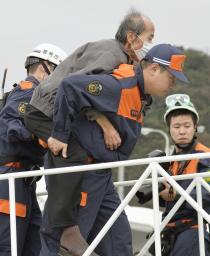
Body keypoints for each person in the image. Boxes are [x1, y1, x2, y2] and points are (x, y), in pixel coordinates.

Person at [24, 9, 155, 254]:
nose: (150, 45)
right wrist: (101, 126)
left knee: (118, 240)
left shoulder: (123, 62)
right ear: (131, 38)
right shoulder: (111, 55)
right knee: (73, 155)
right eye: (149, 38)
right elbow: (71, 89)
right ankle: (67, 228)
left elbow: (89, 98)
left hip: (67, 122)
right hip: (44, 111)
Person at [40, 44, 189, 256]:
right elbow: (70, 86)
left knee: (118, 242)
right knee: (65, 244)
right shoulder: (120, 85)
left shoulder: (140, 95)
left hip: (102, 176)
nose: (172, 85)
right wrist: (60, 134)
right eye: (171, 78)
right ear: (154, 69)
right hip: (83, 173)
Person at [0, 43, 67, 256]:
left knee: (34, 246)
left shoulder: (39, 97)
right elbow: (10, 125)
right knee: (9, 247)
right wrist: (43, 137)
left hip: (25, 182)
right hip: (11, 179)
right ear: (45, 67)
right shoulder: (28, 91)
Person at [157, 94, 210, 256]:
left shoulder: (205, 156)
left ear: (195, 127)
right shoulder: (169, 162)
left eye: (187, 126)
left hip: (194, 232)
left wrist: (175, 193)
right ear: (170, 130)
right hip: (170, 232)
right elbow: (163, 201)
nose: (182, 131)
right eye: (177, 126)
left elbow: (206, 194)